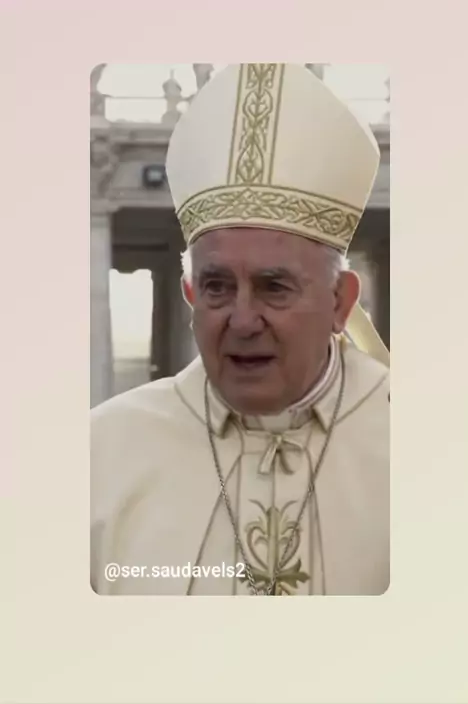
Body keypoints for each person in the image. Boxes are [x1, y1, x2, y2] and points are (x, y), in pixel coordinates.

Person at [90, 63, 390, 596]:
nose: (244, 321)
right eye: (217, 287)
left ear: (340, 303)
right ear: (191, 295)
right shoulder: (99, 454)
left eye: (274, 287)